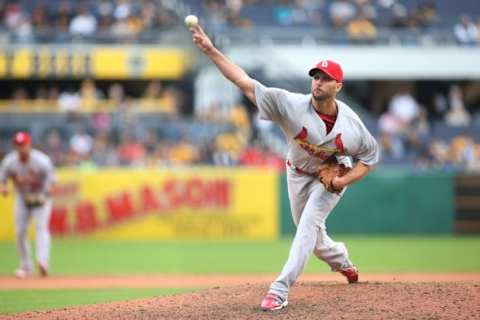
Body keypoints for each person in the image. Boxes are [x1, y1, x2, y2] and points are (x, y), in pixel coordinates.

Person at [188, 23, 379, 311]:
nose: (318, 82)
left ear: (337, 87)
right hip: (298, 173)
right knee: (314, 239)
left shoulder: (352, 126)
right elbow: (244, 82)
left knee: (307, 226)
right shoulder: (290, 105)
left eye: (325, 79)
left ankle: (279, 289)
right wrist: (212, 50)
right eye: (315, 76)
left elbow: (369, 159)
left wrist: (342, 181)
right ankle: (341, 260)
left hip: (331, 176)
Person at [0, 132, 56, 279]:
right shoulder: (9, 162)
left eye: (23, 144)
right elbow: (2, 179)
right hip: (22, 198)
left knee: (41, 227)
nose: (21, 148)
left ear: (29, 144)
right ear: (15, 146)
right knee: (20, 232)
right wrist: (3, 187)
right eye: (18, 145)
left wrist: (45, 195)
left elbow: (52, 182)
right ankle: (25, 265)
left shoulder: (42, 161)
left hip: (41, 197)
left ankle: (43, 262)